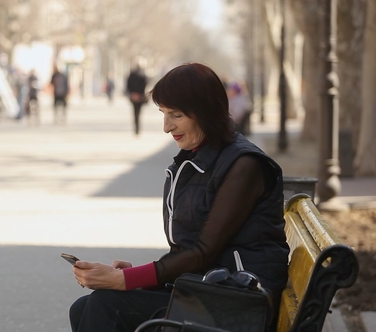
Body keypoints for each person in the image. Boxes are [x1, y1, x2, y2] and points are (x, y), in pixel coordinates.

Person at [68, 63, 289, 332]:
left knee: (104, 305)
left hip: (241, 300)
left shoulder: (244, 165)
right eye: (163, 114)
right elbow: (189, 251)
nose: (166, 126)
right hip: (211, 287)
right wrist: (135, 276)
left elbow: (203, 252)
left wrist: (125, 279)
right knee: (84, 307)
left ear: (205, 112)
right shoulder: (197, 158)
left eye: (176, 115)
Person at [125, 64, 147, 135]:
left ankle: (137, 128)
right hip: (138, 96)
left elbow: (128, 85)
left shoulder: (133, 75)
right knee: (137, 113)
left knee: (136, 113)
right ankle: (137, 128)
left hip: (136, 96)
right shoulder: (142, 74)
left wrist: (132, 93)